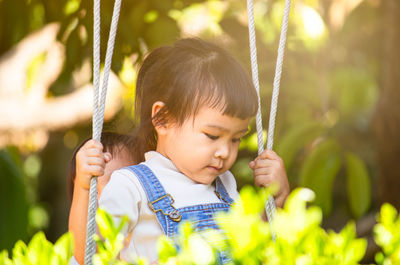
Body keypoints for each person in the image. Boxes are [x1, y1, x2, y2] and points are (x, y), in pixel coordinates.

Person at [97, 38, 290, 263]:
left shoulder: (225, 185)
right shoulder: (131, 186)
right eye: (212, 136)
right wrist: (84, 186)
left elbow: (251, 251)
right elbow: (93, 253)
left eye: (236, 139)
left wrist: (276, 202)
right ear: (163, 119)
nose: (224, 152)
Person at [68, 132, 137, 265]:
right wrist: (83, 187)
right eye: (94, 192)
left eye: (121, 186)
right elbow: (88, 254)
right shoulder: (86, 255)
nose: (107, 197)